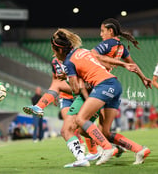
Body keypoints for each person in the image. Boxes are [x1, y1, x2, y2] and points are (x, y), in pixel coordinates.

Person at [49, 28, 151, 166]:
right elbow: (101, 63)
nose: (54, 54)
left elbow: (75, 89)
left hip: (103, 85)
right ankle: (139, 150)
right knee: (105, 132)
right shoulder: (83, 51)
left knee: (80, 119)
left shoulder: (68, 63)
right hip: (115, 84)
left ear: (60, 50)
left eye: (54, 51)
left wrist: (69, 76)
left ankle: (107, 148)